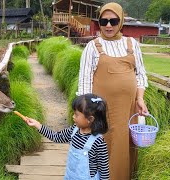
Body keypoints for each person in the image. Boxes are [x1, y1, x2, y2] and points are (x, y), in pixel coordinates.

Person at [77, 2, 149, 180]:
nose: (108, 25)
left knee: (123, 146)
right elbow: (85, 82)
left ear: (121, 22)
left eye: (113, 21)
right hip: (101, 111)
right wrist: (86, 112)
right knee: (103, 144)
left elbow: (140, 75)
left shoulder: (132, 44)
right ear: (99, 22)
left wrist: (140, 98)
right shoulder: (93, 47)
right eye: (104, 21)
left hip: (128, 109)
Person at [23, 94, 110, 180]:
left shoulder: (98, 142)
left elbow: (104, 172)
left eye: (76, 115)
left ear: (90, 119)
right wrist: (38, 125)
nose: (73, 117)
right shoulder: (74, 130)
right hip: (70, 176)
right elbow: (56, 137)